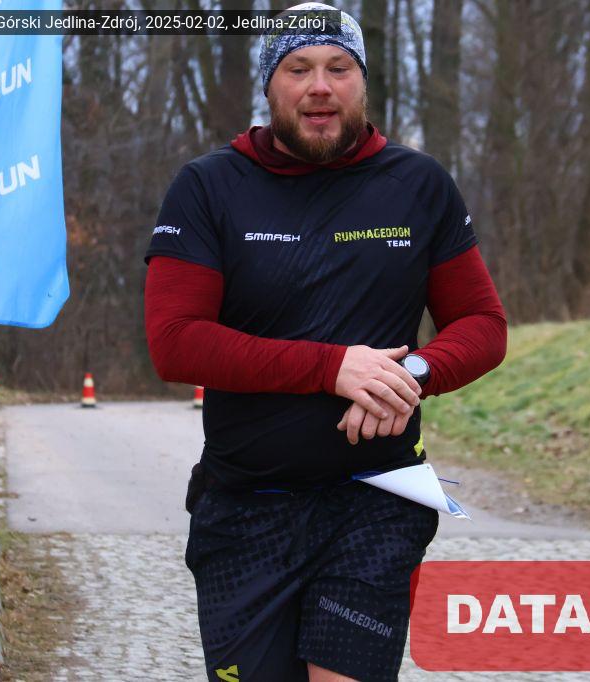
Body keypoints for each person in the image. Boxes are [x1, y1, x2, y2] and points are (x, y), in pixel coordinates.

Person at [143, 4, 507, 680]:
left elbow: (483, 325)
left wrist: (412, 374)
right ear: (270, 85)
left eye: (339, 68)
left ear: (362, 81)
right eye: (298, 68)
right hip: (246, 505)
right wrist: (331, 367)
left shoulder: (418, 185)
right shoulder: (208, 187)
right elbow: (176, 342)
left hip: (377, 499)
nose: (320, 86)